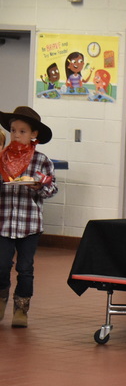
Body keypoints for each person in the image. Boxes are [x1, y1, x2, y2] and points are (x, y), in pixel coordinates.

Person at [0, 106, 58, 328]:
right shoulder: (2, 157)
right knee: (1, 265)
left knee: (25, 268)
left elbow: (52, 190)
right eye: (13, 130)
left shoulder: (41, 160)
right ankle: (1, 295)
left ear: (34, 134)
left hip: (29, 224)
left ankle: (21, 309)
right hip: (3, 222)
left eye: (22, 131)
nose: (16, 135)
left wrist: (37, 185)